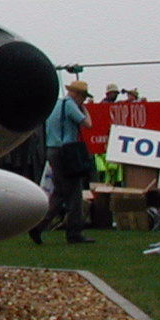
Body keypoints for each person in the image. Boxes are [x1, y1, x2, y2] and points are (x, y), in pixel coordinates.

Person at [30, 80, 94, 245]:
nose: (84, 100)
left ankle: (39, 225)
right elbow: (88, 124)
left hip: (52, 150)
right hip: (66, 152)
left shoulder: (56, 105)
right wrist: (85, 110)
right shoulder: (71, 105)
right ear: (78, 94)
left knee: (59, 192)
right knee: (74, 193)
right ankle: (74, 233)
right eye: (84, 97)